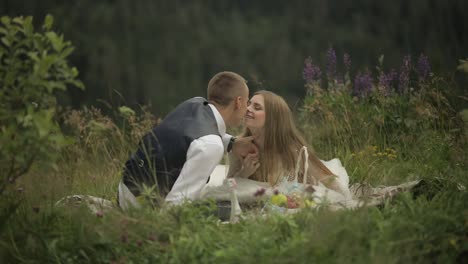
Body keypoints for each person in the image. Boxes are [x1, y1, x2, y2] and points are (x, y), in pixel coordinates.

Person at [118, 71, 257, 209]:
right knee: (223, 212)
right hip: (142, 207)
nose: (247, 109)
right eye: (247, 102)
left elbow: (190, 137)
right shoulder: (212, 145)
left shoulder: (194, 103)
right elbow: (177, 204)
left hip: (125, 190)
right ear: (238, 102)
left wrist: (232, 143)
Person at [226, 90, 347, 195]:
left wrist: (348, 203)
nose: (248, 109)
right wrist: (244, 174)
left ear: (272, 118)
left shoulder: (292, 149)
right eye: (249, 104)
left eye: (257, 107)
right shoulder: (238, 145)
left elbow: (330, 181)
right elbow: (226, 189)